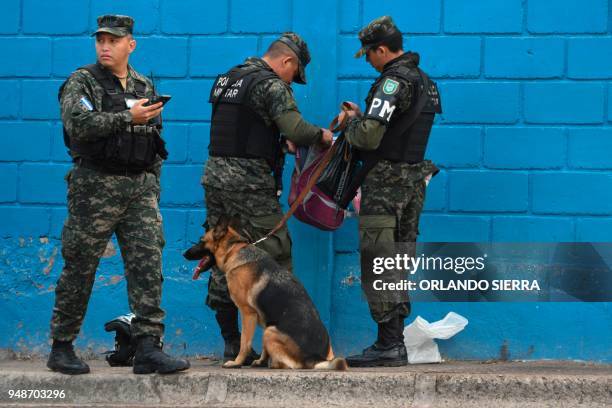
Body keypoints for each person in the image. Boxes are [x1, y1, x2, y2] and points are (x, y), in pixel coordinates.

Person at [47, 15, 189, 375]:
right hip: (95, 187)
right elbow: (78, 124)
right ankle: (61, 347)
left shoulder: (143, 84)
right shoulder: (83, 81)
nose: (105, 46)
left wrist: (152, 184)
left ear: (131, 45)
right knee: (80, 266)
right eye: (101, 40)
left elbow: (155, 139)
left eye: (113, 40)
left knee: (148, 266)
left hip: (139, 188)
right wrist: (128, 118)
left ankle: (147, 348)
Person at [199, 32, 333, 363]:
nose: (292, 80)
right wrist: (321, 136)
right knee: (278, 251)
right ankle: (286, 338)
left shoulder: (228, 78)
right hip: (249, 185)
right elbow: (296, 128)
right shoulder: (271, 84)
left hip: (216, 180)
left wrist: (275, 142)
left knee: (224, 255)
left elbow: (244, 127)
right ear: (287, 61)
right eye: (294, 73)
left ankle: (232, 342)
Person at [342, 16, 442, 367]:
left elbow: (369, 136)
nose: (368, 61)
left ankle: (388, 344)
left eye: (369, 54)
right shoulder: (426, 83)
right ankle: (392, 342)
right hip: (412, 186)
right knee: (398, 259)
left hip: (385, 187)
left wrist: (352, 121)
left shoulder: (392, 82)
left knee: (378, 259)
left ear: (381, 50)